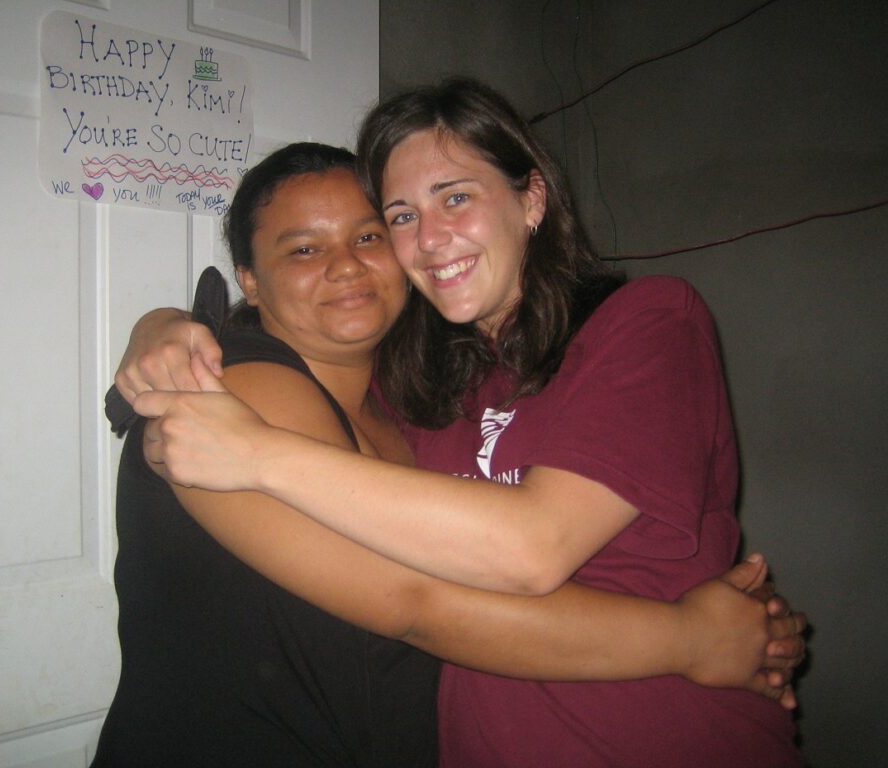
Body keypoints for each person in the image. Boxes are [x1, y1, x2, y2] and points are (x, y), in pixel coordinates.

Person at [125, 80, 806, 767]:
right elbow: (412, 594)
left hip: (664, 738)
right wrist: (162, 328)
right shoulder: (424, 390)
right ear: (249, 278)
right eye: (401, 215)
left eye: (454, 198)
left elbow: (533, 547)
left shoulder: (642, 324)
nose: (427, 239)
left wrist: (257, 452)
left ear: (531, 198)